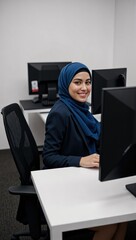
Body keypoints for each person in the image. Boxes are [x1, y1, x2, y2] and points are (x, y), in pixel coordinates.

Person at [42, 62, 127, 240]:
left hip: (80, 177)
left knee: (123, 217)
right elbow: (49, 157)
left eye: (88, 82)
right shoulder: (60, 113)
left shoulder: (82, 108)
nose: (84, 88)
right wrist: (80, 160)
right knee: (110, 224)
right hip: (63, 184)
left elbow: (95, 130)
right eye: (78, 82)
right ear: (66, 84)